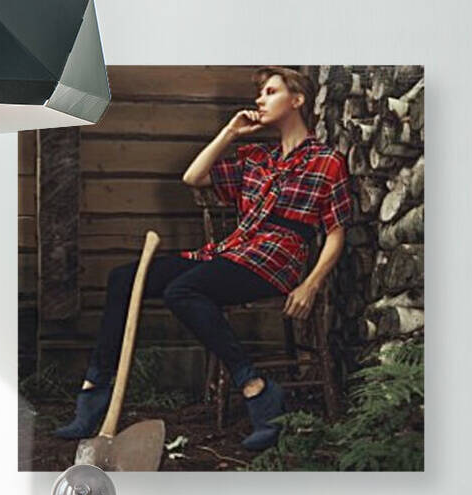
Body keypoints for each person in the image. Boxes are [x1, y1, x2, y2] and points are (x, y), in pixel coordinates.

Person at [55, 66, 351, 451]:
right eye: (260, 92)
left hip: (277, 260)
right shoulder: (257, 158)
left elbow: (336, 232)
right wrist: (230, 132)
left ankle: (256, 387)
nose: (259, 99)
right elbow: (193, 178)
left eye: (270, 92)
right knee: (122, 278)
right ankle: (94, 393)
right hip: (232, 252)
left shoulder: (328, 161)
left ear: (297, 100)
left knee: (182, 291)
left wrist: (311, 284)